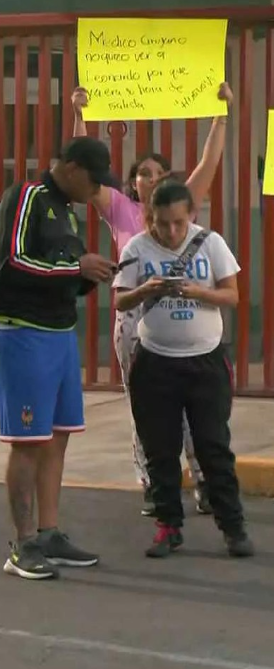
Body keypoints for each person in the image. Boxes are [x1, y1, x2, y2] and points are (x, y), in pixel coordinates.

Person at [71, 83, 232, 518]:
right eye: (143, 172)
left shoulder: (183, 206)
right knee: (144, 402)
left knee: (196, 406)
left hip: (185, 313)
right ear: (132, 182)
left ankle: (204, 481)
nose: (151, 178)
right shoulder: (120, 209)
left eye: (159, 172)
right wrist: (79, 116)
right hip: (136, 314)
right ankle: (152, 482)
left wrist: (221, 113)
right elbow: (85, 169)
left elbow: (209, 162)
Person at [113, 180, 253, 558]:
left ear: (191, 215)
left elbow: (232, 295)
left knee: (213, 445)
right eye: (162, 224)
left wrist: (197, 292)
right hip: (155, 361)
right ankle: (168, 525)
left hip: (205, 360)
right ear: (150, 218)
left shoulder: (211, 243)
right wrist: (146, 290)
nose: (171, 231)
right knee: (161, 449)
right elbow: (121, 300)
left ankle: (233, 526)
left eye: (178, 222)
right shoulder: (136, 248)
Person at [0, 137, 117, 580]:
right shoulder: (27, 196)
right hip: (24, 332)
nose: (96, 190)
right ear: (70, 168)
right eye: (93, 180)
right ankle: (23, 543)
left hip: (60, 332)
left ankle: (49, 532)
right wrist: (75, 268)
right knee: (28, 440)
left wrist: (89, 274)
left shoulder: (68, 210)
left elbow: (62, 271)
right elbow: (11, 260)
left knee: (57, 436)